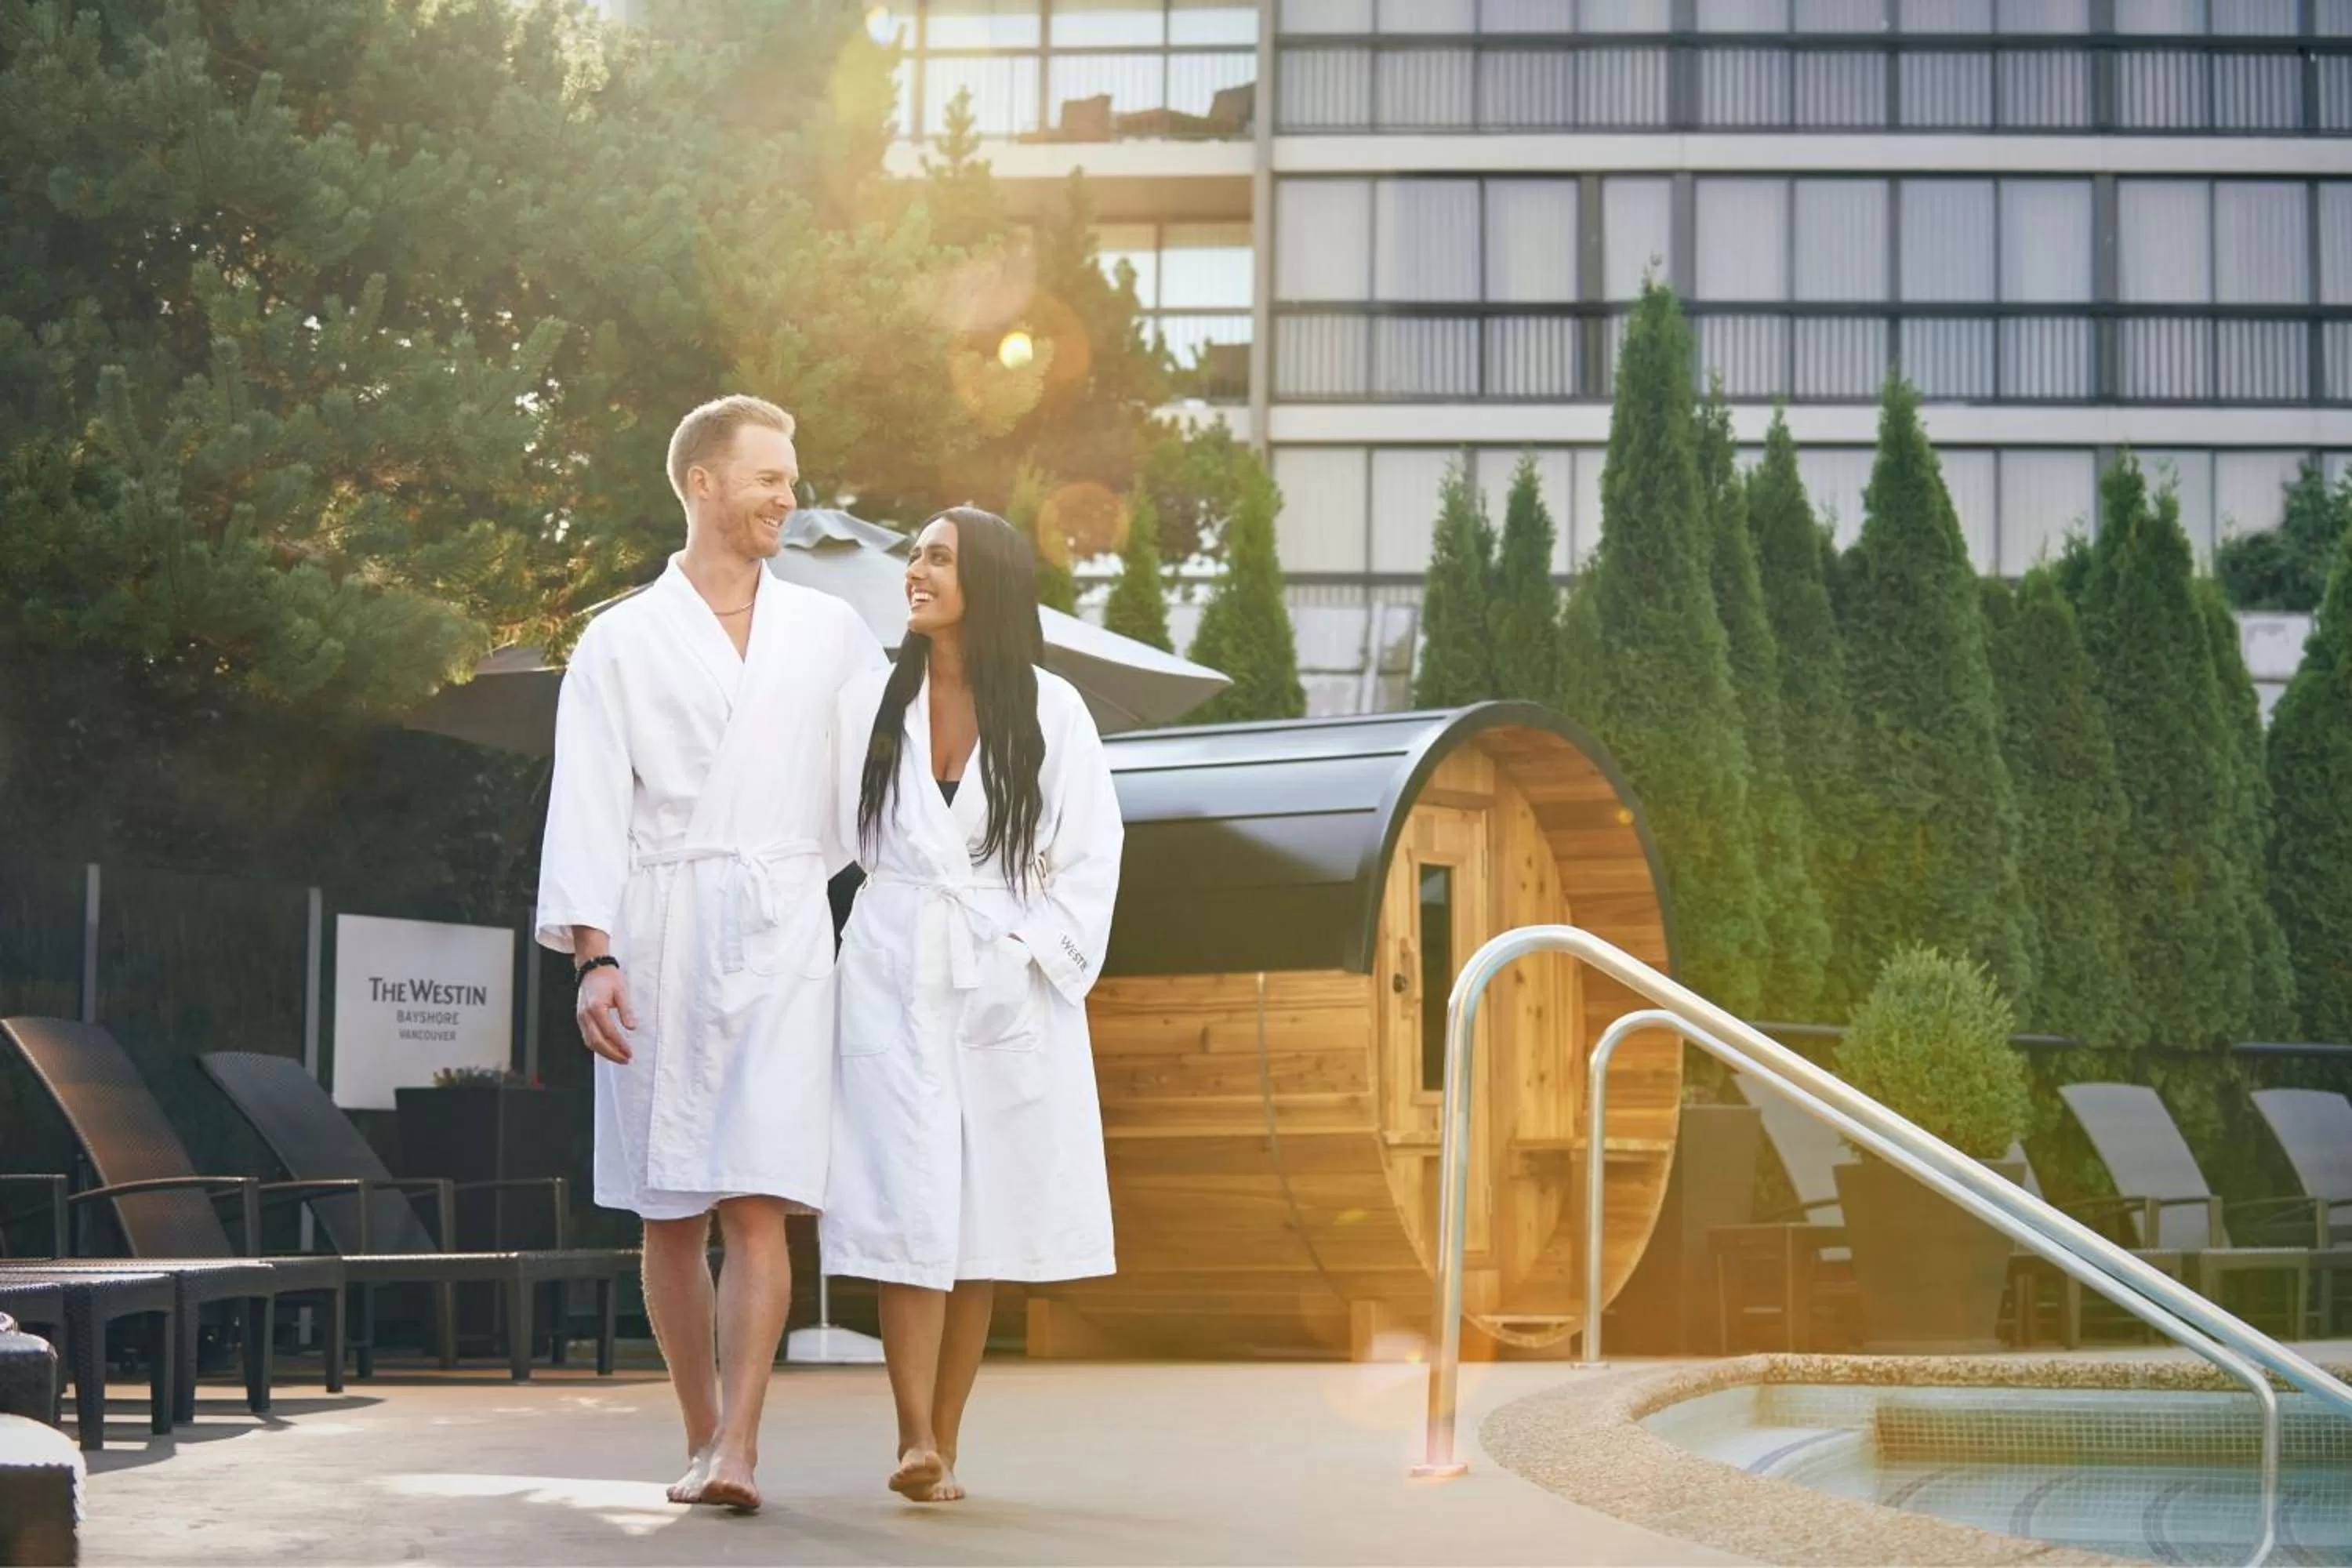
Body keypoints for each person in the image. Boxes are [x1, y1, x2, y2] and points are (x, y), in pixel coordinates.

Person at [535, 395, 882, 1513]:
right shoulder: (620, 640)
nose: (790, 496)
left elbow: (872, 790)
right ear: (702, 483)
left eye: (793, 475)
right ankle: (697, 1432)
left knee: (760, 1195)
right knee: (669, 1206)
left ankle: (741, 1444)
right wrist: (594, 958)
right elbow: (587, 802)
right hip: (661, 927)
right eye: (770, 478)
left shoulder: (828, 632)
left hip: (782, 923)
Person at [822, 506, 1122, 1504]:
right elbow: (817, 831)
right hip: (894, 964)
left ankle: (945, 1440)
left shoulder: (1053, 709)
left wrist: (1029, 953)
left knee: (976, 1212)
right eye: (914, 553)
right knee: (905, 1200)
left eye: (938, 557)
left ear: (984, 581)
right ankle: (912, 1435)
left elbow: (1090, 858)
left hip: (1003, 971)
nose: (915, 570)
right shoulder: (869, 697)